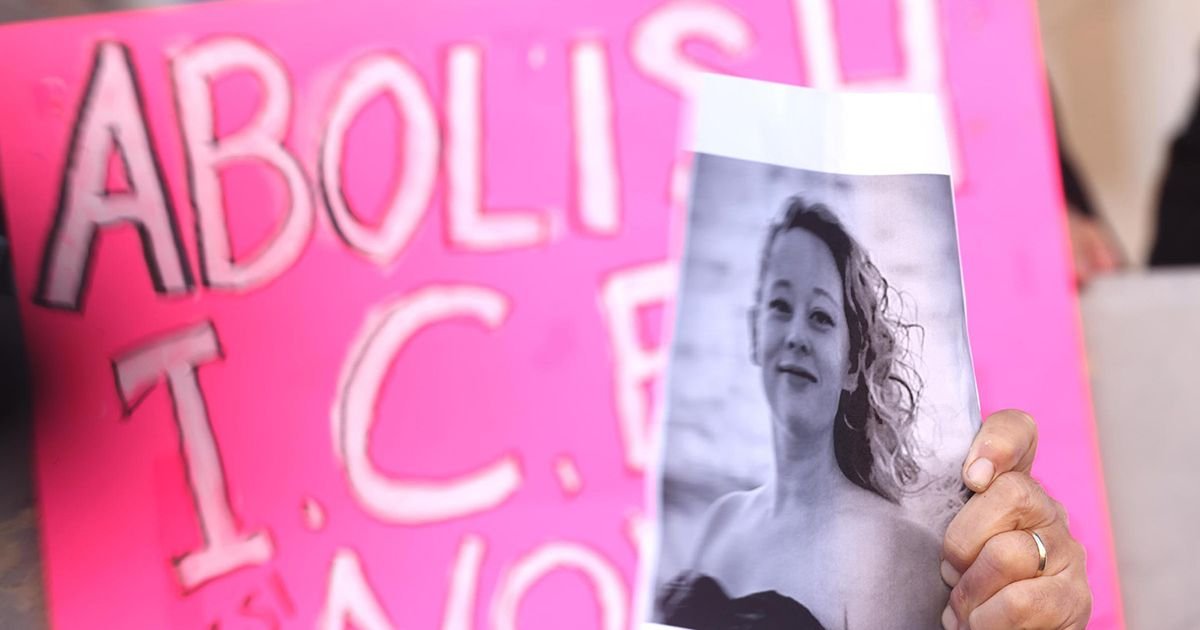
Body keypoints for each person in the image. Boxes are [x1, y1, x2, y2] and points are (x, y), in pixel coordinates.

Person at [658, 199, 1092, 629]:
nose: (795, 336)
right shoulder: (719, 523)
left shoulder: (892, 551)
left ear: (852, 365)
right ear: (755, 331)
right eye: (780, 306)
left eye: (820, 317)